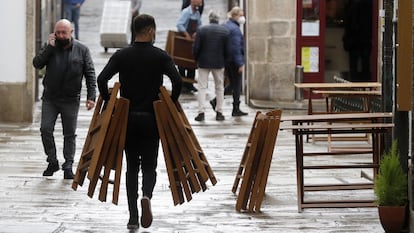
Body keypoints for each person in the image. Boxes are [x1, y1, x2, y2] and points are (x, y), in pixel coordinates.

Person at [97, 14, 182, 230]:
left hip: (128, 119)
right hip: (152, 118)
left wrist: (111, 102)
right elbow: (178, 81)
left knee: (132, 167)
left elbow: (101, 79)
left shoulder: (122, 55)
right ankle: (146, 195)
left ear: (134, 30)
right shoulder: (160, 56)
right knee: (150, 166)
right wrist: (170, 102)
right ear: (152, 30)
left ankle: (133, 217)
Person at [32, 19, 96, 180]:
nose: (60, 36)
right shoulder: (51, 48)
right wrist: (49, 48)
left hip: (70, 99)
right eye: (58, 32)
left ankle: (68, 164)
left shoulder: (82, 50)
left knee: (70, 134)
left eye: (63, 33)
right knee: (45, 129)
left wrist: (91, 97)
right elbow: (37, 64)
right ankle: (52, 161)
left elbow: (90, 74)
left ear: (71, 32)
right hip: (50, 98)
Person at [192, 11, 229, 121]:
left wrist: (196, 58)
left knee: (202, 87)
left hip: (203, 62)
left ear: (209, 19)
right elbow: (227, 49)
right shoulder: (224, 31)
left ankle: (201, 112)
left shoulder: (201, 30)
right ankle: (219, 112)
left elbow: (196, 47)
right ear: (218, 19)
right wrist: (225, 61)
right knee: (219, 87)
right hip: (218, 62)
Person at [222, 6, 248, 116]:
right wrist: (240, 64)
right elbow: (236, 48)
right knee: (236, 85)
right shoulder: (235, 29)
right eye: (241, 15)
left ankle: (215, 101)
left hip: (227, 60)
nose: (243, 18)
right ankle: (235, 108)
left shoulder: (227, 25)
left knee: (232, 83)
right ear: (235, 16)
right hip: (234, 61)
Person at [176, 0, 202, 94]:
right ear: (192, 2)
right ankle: (183, 85)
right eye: (198, 3)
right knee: (182, 64)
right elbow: (179, 24)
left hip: (192, 42)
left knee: (192, 64)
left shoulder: (197, 13)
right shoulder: (186, 12)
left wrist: (197, 32)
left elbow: (199, 24)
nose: (200, 5)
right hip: (183, 41)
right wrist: (186, 34)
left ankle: (190, 85)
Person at [342, 0, 372, 81]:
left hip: (355, 40)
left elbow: (348, 23)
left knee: (354, 66)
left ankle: (355, 85)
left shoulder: (351, 5)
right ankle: (366, 85)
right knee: (365, 65)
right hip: (364, 40)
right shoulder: (368, 5)